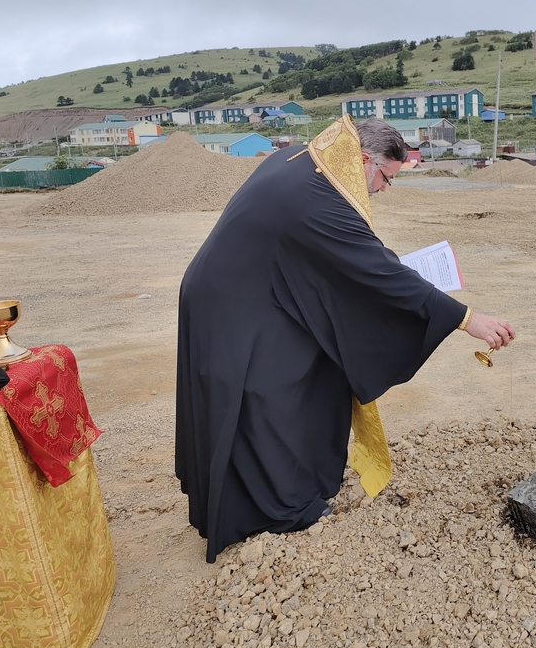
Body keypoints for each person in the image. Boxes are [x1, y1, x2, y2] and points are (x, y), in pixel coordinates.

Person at [175, 116, 515, 562]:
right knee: (265, 396)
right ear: (362, 159)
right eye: (385, 178)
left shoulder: (306, 162)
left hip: (256, 293)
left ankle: (298, 487)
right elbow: (375, 269)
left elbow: (346, 255)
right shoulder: (317, 196)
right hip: (232, 308)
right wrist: (464, 318)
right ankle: (275, 510)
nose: (384, 189)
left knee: (320, 370)